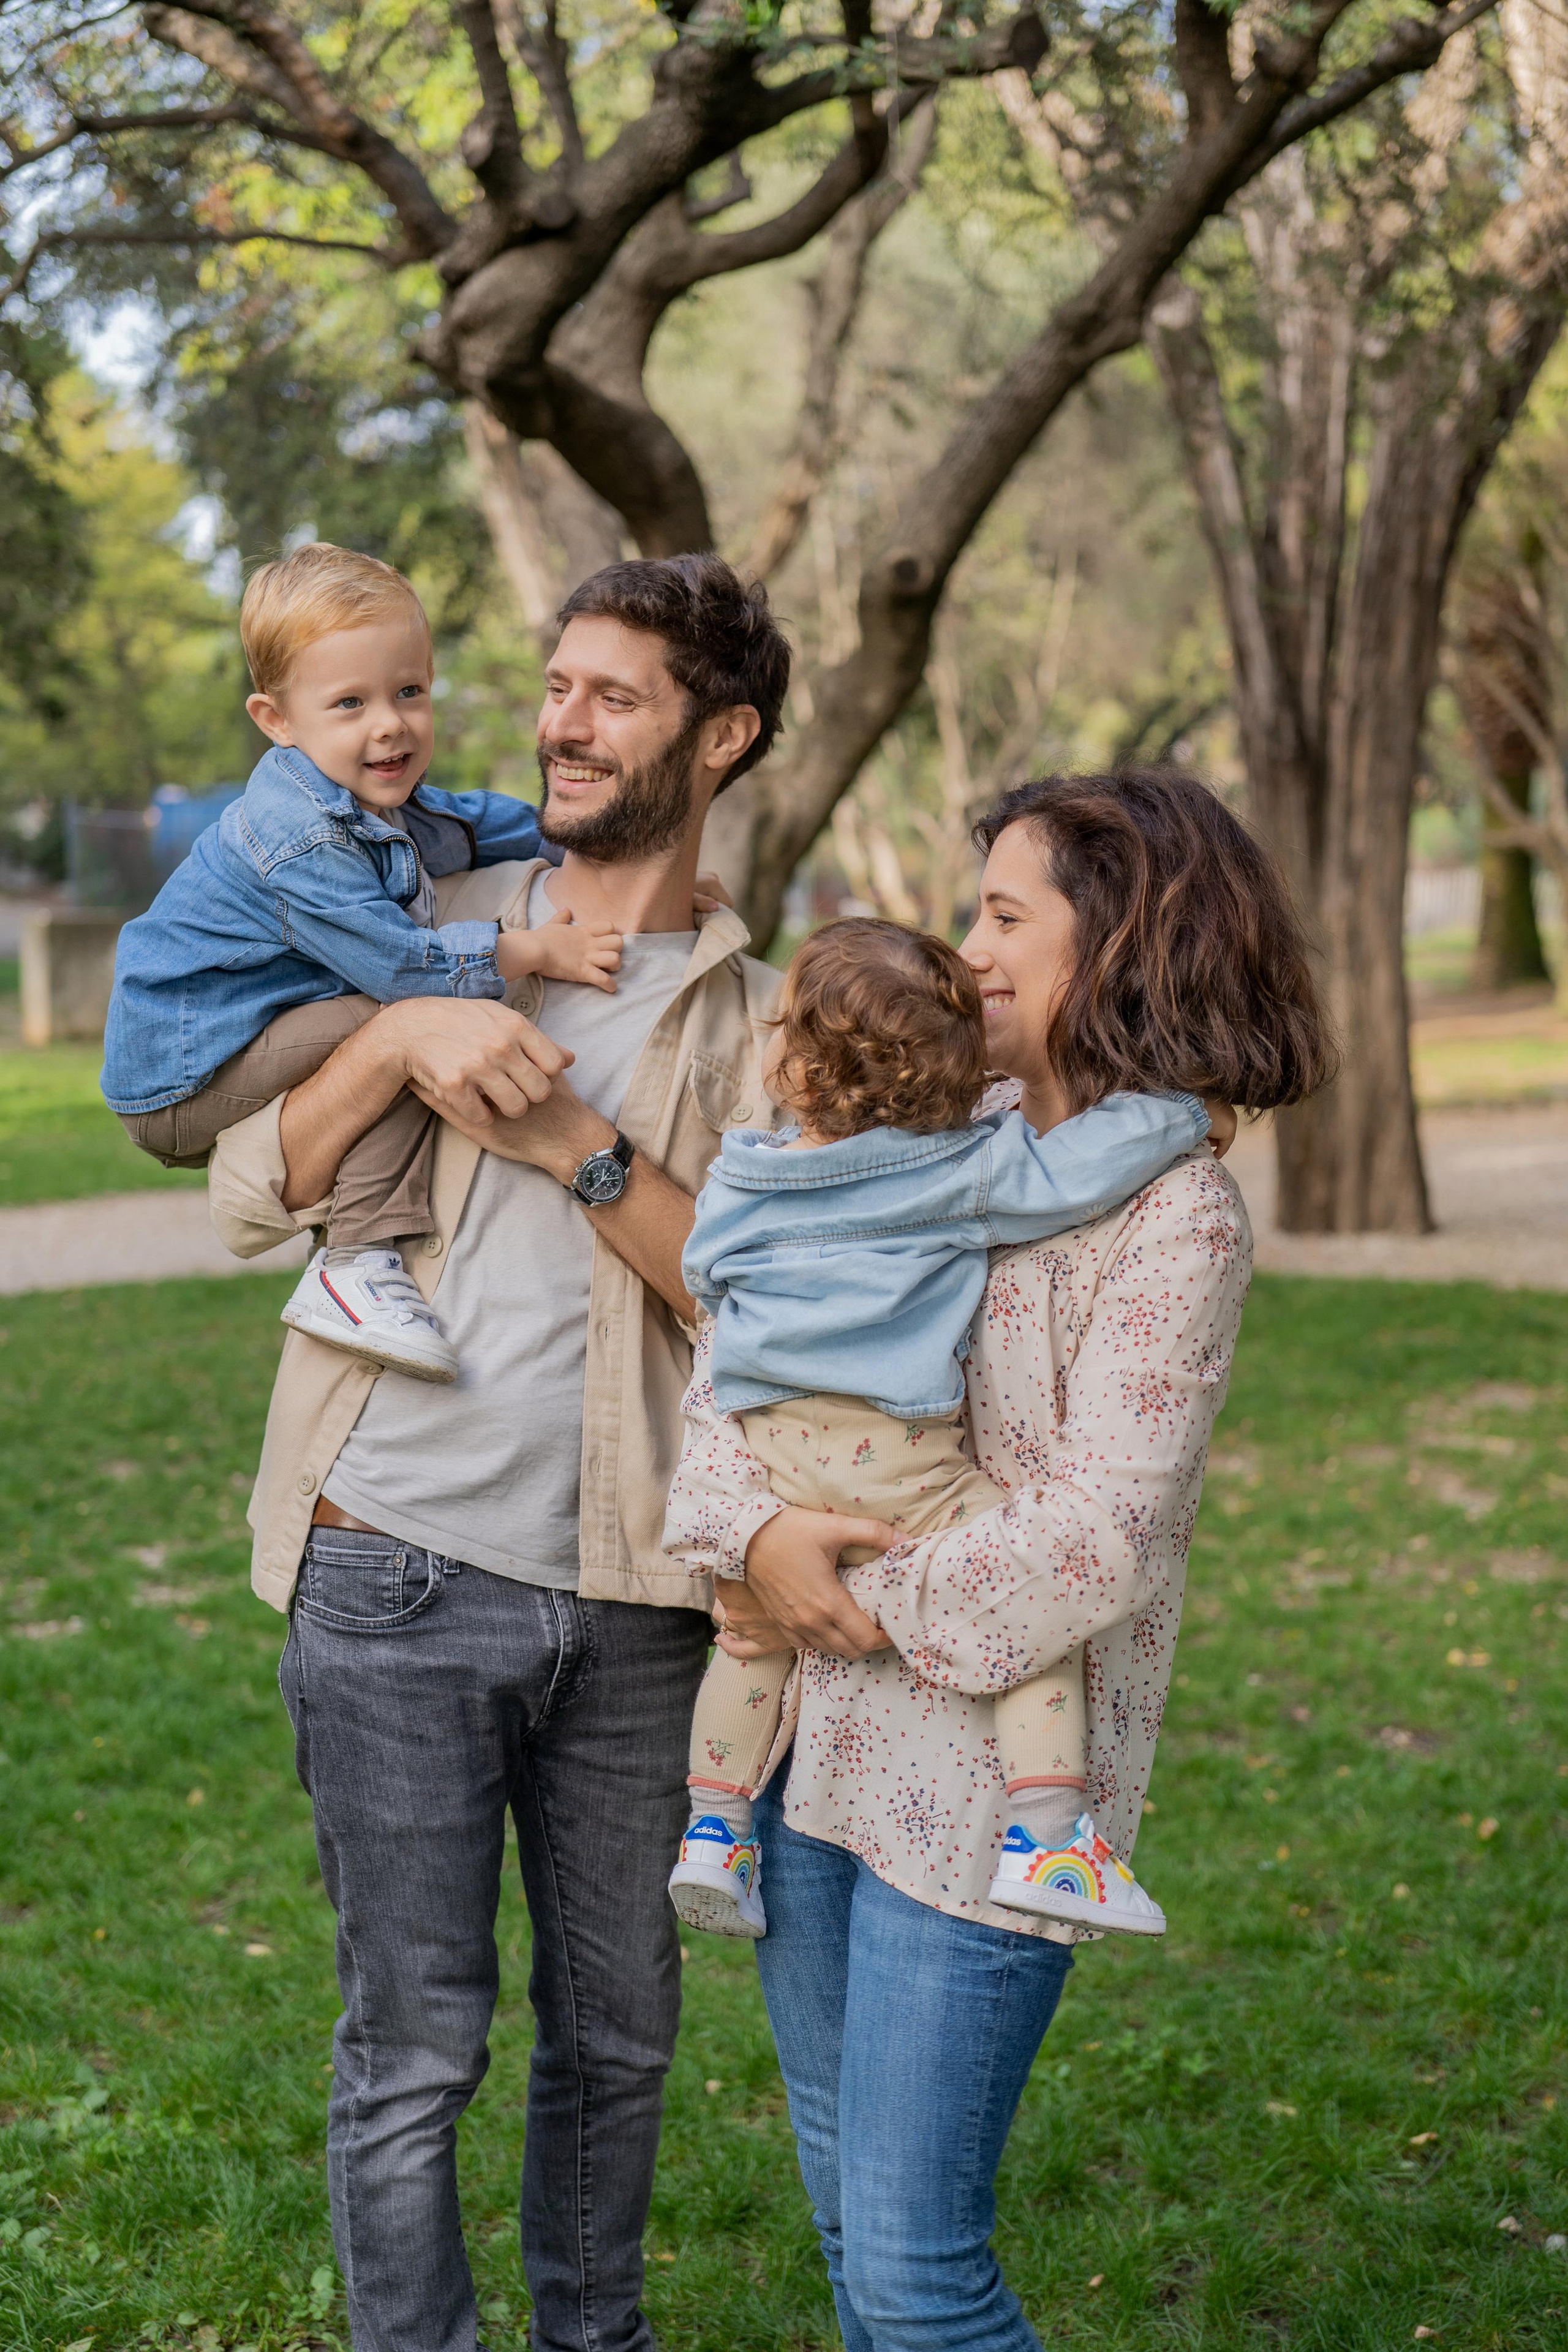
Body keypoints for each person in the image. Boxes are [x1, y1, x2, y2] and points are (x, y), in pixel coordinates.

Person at [665, 767, 1335, 2352]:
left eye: (1005, 916)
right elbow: (734, 1360)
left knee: (916, 2270)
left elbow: (1100, 1533)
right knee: (845, 2230)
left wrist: (830, 1593)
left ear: (1119, 944)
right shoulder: (913, 1118)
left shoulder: (1175, 1220)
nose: (967, 950)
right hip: (802, 1766)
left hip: (994, 1797)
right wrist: (750, 1534)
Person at [205, 553, 791, 2352]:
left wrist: (584, 1148)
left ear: (723, 736)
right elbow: (247, 1187)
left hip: (638, 1608)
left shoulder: (767, 1022)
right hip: (390, 1562)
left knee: (618, 2044)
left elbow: (760, 1304)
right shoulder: (420, 905)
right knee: (414, 2049)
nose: (558, 721)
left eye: (613, 696)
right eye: (552, 683)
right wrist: (397, 1030)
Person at [667, 915, 1218, 1942]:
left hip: (772, 1450)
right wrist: (1184, 1115)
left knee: (748, 1641)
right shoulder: (953, 1173)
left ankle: (712, 1831)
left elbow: (707, 1276)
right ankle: (1051, 1838)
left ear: (793, 1062)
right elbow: (1078, 1171)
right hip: (896, 1456)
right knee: (1030, 1628)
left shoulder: (744, 1174)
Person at [102, 541, 630, 1384]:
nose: (390, 724)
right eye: (349, 702)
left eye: (409, 692)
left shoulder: (370, 795)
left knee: (403, 1025)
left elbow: (471, 824)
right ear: (277, 720)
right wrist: (536, 950)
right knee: (409, 1026)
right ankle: (356, 1260)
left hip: (240, 1036)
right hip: (182, 1073)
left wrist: (606, 838)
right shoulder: (300, 836)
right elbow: (403, 971)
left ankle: (357, 1248)